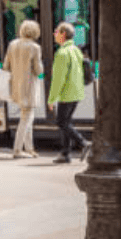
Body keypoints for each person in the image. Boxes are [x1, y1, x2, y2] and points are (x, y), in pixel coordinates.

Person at [47, 21, 91, 163]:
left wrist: (52, 98)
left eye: (56, 32)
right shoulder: (76, 50)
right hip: (77, 92)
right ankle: (65, 154)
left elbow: (58, 79)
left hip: (67, 93)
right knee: (66, 122)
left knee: (61, 122)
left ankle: (83, 143)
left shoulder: (62, 53)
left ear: (63, 34)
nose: (54, 34)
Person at [3, 19, 43, 159]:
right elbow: (38, 70)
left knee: (26, 117)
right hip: (29, 87)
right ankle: (17, 150)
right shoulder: (34, 47)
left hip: (16, 86)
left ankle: (29, 148)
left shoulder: (12, 45)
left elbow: (5, 66)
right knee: (26, 119)